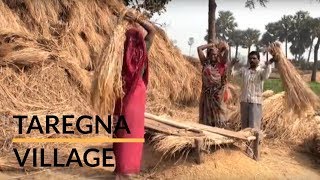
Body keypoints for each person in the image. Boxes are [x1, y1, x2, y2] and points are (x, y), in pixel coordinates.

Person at [113, 10, 155, 179]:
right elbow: (152, 31)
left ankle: (120, 170)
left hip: (124, 94)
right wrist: (135, 18)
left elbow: (116, 33)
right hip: (135, 94)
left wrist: (125, 18)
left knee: (122, 130)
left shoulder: (121, 53)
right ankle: (126, 170)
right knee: (131, 132)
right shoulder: (143, 50)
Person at [231, 51, 274, 157]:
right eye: (250, 58)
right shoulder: (244, 70)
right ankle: (247, 147)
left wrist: (268, 65)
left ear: (258, 60)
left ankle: (254, 150)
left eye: (254, 58)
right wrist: (232, 65)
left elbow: (266, 76)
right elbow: (232, 74)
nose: (252, 60)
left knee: (254, 127)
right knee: (245, 126)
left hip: (256, 102)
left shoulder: (261, 71)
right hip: (245, 101)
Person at [197, 41, 229, 128]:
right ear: (208, 55)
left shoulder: (221, 65)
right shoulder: (205, 63)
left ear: (218, 54)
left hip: (217, 95)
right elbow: (199, 49)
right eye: (211, 54)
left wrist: (225, 48)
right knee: (206, 116)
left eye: (215, 54)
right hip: (206, 95)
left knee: (218, 116)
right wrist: (211, 45)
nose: (213, 56)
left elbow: (225, 55)